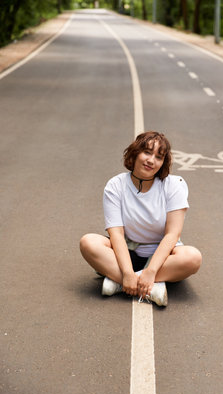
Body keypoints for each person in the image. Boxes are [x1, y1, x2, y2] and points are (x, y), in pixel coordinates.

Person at [80, 131, 202, 306]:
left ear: (163, 163)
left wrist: (151, 271)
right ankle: (149, 287)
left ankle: (119, 282)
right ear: (135, 153)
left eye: (158, 157)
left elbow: (172, 235)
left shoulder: (175, 185)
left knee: (193, 257)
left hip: (163, 258)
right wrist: (128, 272)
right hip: (129, 252)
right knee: (88, 242)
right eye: (147, 152)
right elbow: (116, 234)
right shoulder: (115, 185)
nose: (151, 160)